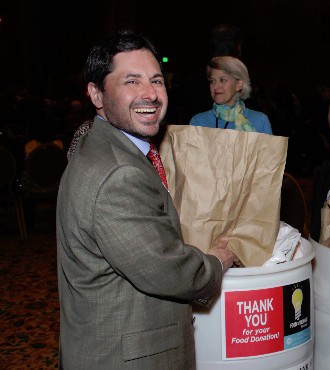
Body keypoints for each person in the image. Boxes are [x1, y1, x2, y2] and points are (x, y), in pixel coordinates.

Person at [56, 31, 238, 369]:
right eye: (131, 81)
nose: (150, 94)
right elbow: (168, 271)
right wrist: (216, 261)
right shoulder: (117, 173)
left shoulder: (98, 144)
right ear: (97, 93)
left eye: (156, 80)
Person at [189, 56, 272, 134]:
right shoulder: (198, 122)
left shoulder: (259, 121)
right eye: (212, 81)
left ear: (238, 84)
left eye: (223, 80)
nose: (216, 86)